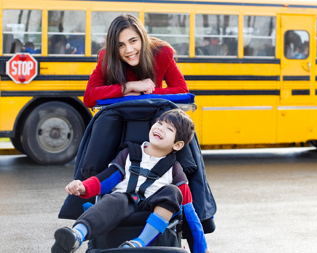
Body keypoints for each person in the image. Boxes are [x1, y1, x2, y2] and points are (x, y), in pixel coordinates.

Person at [51, 109, 211, 253]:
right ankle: (76, 235)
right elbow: (105, 180)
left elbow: (190, 214)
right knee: (116, 197)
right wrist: (83, 187)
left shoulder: (175, 170)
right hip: (121, 204)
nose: (160, 128)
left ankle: (138, 243)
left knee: (173, 192)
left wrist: (202, 250)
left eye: (169, 129)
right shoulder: (128, 154)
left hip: (153, 209)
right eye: (159, 123)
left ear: (177, 145)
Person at [83, 14, 189, 108]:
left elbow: (182, 92)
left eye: (133, 41)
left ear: (142, 38)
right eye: (120, 45)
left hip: (154, 119)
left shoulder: (162, 53)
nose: (129, 50)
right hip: (120, 119)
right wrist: (129, 86)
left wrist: (142, 94)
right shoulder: (107, 57)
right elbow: (89, 97)